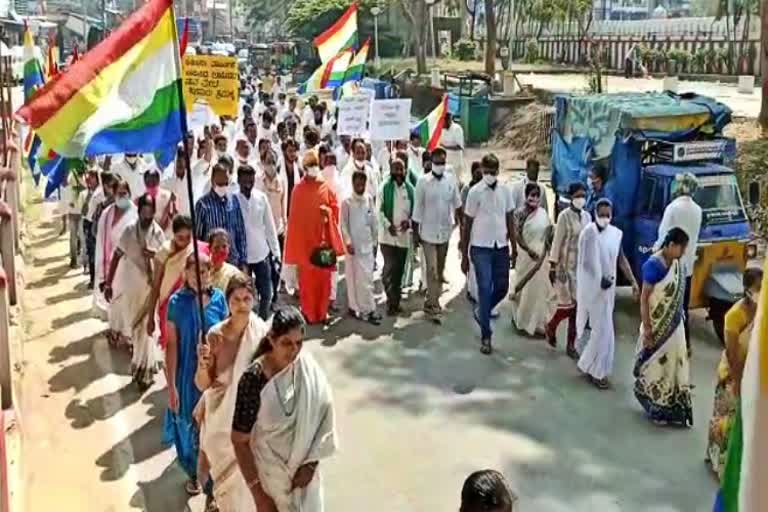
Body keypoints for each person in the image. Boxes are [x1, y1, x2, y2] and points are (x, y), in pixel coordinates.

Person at [232, 306, 337, 512]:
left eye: (299, 343)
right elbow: (238, 441)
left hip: (305, 481)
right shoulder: (253, 380)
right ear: (271, 339)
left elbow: (324, 413)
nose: (294, 350)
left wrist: (311, 464)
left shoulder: (306, 368)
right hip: (270, 480)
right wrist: (259, 496)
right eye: (286, 343)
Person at [194, 274, 268, 511]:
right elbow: (202, 385)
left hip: (250, 423)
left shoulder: (262, 334)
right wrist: (202, 366)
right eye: (236, 299)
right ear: (227, 302)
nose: (242, 305)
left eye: (247, 298)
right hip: (219, 422)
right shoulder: (214, 336)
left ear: (254, 301)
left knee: (248, 490)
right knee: (226, 489)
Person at [162, 252, 228, 496]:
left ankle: (211, 484)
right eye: (194, 271)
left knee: (214, 429)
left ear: (210, 273)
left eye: (203, 271)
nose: (199, 276)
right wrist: (171, 386)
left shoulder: (220, 300)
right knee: (190, 428)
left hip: (215, 375)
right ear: (185, 273)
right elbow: (171, 347)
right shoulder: (176, 303)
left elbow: (228, 338)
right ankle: (193, 472)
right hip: (187, 375)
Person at [103, 194, 165, 389]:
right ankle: (141, 363)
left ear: (154, 212)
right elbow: (116, 256)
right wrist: (108, 282)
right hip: (131, 284)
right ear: (139, 212)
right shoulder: (129, 231)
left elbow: (166, 258)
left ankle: (143, 369)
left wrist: (154, 255)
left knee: (148, 326)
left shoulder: (158, 233)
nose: (147, 216)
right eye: (144, 212)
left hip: (151, 287)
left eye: (150, 212)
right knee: (136, 327)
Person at [576, 198, 639, 389]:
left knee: (603, 331)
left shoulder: (615, 234)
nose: (604, 218)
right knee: (603, 331)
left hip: (608, 291)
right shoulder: (588, 233)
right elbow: (585, 263)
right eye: (601, 214)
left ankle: (588, 364)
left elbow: (621, 260)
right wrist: (598, 280)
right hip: (593, 290)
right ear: (595, 213)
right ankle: (597, 372)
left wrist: (634, 282)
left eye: (607, 215)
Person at [706, 267, 763, 477]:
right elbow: (732, 354)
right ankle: (718, 461)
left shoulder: (762, 310)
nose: (761, 291)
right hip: (733, 372)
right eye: (758, 288)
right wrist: (738, 381)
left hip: (753, 371)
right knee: (725, 419)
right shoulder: (734, 316)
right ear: (747, 290)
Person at [634, 227, 693, 427]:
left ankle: (673, 406)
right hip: (658, 327)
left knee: (675, 364)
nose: (683, 253)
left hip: (676, 326)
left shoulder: (677, 264)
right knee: (658, 367)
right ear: (670, 245)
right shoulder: (653, 265)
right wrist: (648, 329)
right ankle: (656, 407)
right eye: (681, 248)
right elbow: (644, 299)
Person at [461, 154, 514, 355]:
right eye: (487, 171)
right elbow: (467, 225)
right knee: (484, 287)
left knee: (502, 287)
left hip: (501, 246)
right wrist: (465, 255)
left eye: (494, 171)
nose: (490, 175)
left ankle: (482, 312)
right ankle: (486, 336)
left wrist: (514, 248)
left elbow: (510, 219)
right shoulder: (475, 193)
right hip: (480, 247)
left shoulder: (506, 192)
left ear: (498, 171)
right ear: (482, 170)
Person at [283, 153, 345, 324]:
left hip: (322, 243)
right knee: (308, 285)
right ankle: (309, 314)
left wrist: (329, 212)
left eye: (315, 165)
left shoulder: (325, 187)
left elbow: (335, 208)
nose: (313, 169)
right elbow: (294, 220)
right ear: (304, 169)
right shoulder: (298, 190)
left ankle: (322, 312)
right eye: (310, 166)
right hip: (305, 246)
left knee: (323, 282)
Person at [412, 147, 462, 324]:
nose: (440, 165)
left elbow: (457, 204)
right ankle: (434, 306)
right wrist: (415, 235)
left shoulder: (450, 180)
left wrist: (461, 228)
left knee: (439, 271)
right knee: (431, 270)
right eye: (437, 162)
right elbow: (417, 208)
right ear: (431, 162)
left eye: (443, 162)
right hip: (427, 234)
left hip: (444, 233)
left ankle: (429, 301)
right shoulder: (423, 182)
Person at [655, 172, 702, 354]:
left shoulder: (672, 208)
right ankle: (686, 344)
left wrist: (655, 252)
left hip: (670, 266)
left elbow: (663, 236)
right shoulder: (697, 210)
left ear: (680, 187)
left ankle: (667, 346)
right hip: (687, 267)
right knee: (682, 308)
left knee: (667, 306)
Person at [146, 215, 206, 349]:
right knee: (171, 347)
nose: (184, 242)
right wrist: (151, 318)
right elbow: (156, 286)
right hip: (168, 307)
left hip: (191, 305)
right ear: (173, 235)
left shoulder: (195, 249)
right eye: (180, 238)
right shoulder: (164, 252)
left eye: (188, 238)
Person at [547, 182, 591, 359]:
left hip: (582, 268)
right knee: (570, 306)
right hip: (566, 267)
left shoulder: (587, 217)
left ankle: (570, 344)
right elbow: (557, 242)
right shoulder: (564, 216)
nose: (581, 199)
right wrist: (553, 265)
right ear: (571, 197)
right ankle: (553, 324)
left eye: (583, 195)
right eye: (578, 195)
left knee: (577, 308)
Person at [237, 164, 281, 320]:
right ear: (238, 181)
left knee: (267, 293)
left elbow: (270, 228)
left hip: (262, 254)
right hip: (243, 258)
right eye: (245, 181)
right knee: (245, 295)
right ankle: (247, 324)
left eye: (251, 181)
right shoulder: (233, 200)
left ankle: (261, 322)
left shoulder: (261, 198)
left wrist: (276, 253)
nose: (248, 184)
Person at [510, 183, 554, 337]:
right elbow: (517, 235)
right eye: (532, 195)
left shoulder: (543, 214)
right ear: (526, 195)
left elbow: (549, 234)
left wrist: (547, 253)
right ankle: (522, 320)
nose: (534, 198)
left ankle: (538, 324)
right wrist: (529, 251)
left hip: (541, 258)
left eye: (537, 195)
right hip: (526, 256)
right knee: (525, 290)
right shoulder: (519, 214)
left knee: (539, 291)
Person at [95, 178, 137, 325]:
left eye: (124, 193)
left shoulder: (135, 214)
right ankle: (115, 329)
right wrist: (102, 274)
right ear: (113, 194)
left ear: (129, 193)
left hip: (128, 265)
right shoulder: (106, 214)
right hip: (110, 265)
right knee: (113, 299)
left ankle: (128, 333)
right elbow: (100, 241)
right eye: (119, 193)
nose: (122, 197)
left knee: (127, 299)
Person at [341, 170, 381, 325]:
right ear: (353, 184)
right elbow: (343, 225)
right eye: (357, 184)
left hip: (367, 246)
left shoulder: (368, 199)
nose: (360, 187)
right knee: (356, 280)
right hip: (353, 249)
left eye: (362, 184)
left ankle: (366, 308)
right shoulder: (347, 202)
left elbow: (373, 221)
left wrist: (375, 240)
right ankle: (365, 310)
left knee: (367, 279)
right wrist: (348, 242)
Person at [195, 163, 248, 269]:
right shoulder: (203, 204)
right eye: (220, 183)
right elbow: (198, 237)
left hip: (233, 261)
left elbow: (240, 232)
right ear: (212, 180)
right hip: (212, 262)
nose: (223, 186)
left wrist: (243, 261)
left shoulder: (234, 201)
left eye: (226, 183)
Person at [379, 158, 414, 316]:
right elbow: (378, 211)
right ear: (391, 171)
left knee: (399, 272)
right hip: (387, 237)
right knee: (389, 270)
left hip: (403, 237)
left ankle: (394, 303)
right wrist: (388, 225)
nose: (399, 173)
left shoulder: (410, 190)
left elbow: (416, 212)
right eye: (395, 169)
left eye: (401, 169)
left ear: (405, 171)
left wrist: (410, 222)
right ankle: (391, 300)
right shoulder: (384, 187)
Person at [460, 162, 483, 303]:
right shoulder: (466, 190)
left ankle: (476, 287)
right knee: (469, 257)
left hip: (481, 230)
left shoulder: (485, 189)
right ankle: (470, 287)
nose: (478, 175)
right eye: (476, 173)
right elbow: (463, 212)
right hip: (469, 227)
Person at [142, 168, 175, 235]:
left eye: (153, 180)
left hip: (166, 233)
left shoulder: (167, 195)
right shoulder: (141, 199)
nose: (151, 183)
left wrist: (160, 230)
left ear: (158, 181)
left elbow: (171, 214)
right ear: (144, 182)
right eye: (148, 181)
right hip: (149, 235)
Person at [208, 228, 242, 293]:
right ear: (210, 248)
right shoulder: (203, 269)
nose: (221, 250)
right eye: (216, 247)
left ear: (229, 247)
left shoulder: (234, 273)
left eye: (224, 246)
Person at [440, 113, 466, 184]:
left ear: (448, 120)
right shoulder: (442, 130)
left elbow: (459, 147)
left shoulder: (457, 129)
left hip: (455, 163)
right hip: (445, 162)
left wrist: (445, 147)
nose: (442, 124)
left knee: (456, 183)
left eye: (443, 121)